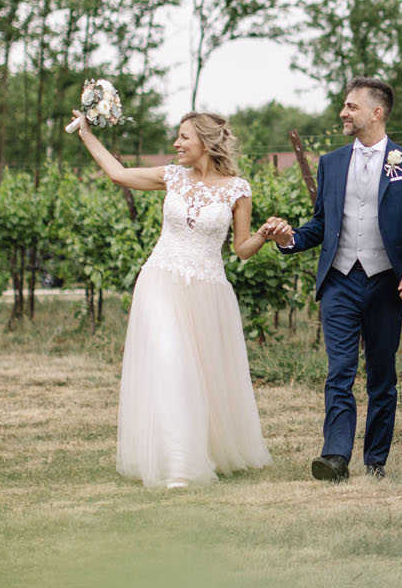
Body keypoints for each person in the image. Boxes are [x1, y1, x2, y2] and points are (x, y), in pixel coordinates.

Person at [73, 109, 276, 489]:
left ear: (206, 141)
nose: (176, 143)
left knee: (200, 373)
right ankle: (182, 466)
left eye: (183, 137)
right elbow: (118, 173)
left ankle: (201, 451)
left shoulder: (238, 189)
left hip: (207, 288)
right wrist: (86, 133)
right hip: (161, 280)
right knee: (171, 361)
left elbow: (242, 249)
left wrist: (265, 234)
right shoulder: (171, 177)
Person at [260, 78, 402, 481]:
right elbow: (323, 224)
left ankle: (375, 461)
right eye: (344, 105)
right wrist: (291, 239)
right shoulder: (331, 162)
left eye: (351, 106)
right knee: (339, 371)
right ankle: (336, 457)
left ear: (376, 113)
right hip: (339, 281)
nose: (343, 112)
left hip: (386, 282)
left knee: (381, 375)